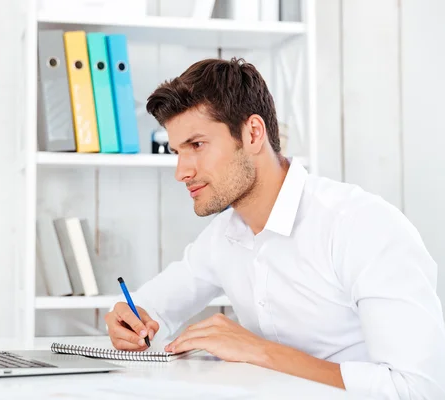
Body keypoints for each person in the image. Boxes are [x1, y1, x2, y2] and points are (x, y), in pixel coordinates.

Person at [104, 57, 445, 398]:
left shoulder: (361, 227)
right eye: (177, 151)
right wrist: (130, 321)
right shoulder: (223, 236)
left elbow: (417, 389)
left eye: (197, 145)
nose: (181, 171)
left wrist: (258, 351)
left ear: (253, 133)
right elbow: (154, 307)